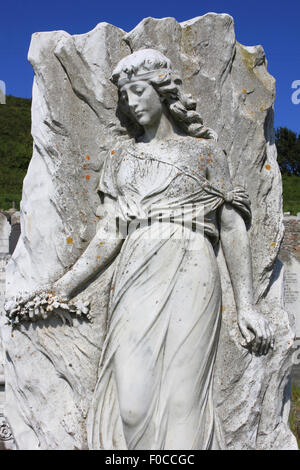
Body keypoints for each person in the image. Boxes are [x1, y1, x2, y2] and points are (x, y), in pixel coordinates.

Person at [13, 49, 274, 449]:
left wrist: (248, 305)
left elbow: (231, 225)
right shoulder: (122, 157)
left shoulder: (205, 153)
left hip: (193, 266)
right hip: (135, 271)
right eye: (124, 98)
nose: (131, 104)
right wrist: (61, 289)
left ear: (163, 90)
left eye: (137, 91)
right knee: (131, 407)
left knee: (184, 399)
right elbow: (110, 234)